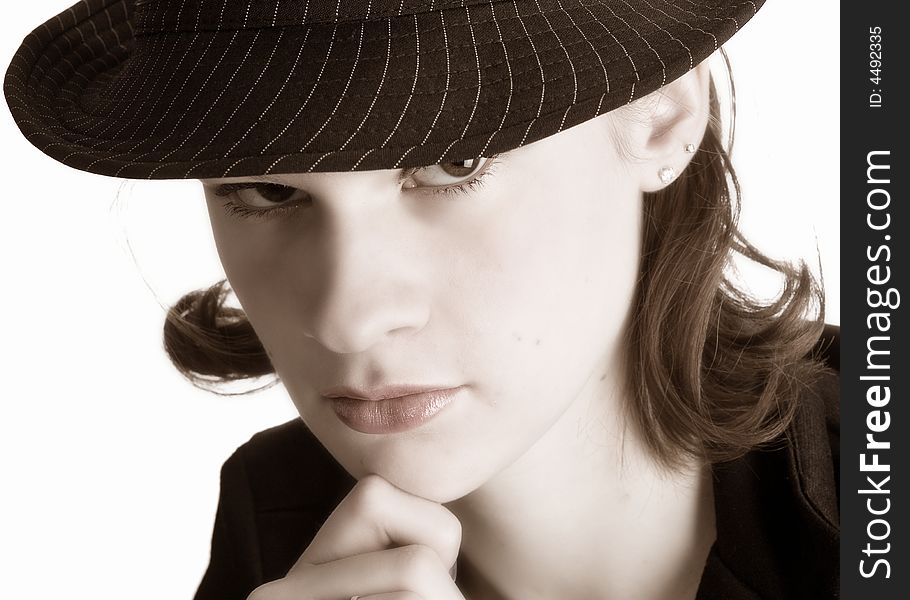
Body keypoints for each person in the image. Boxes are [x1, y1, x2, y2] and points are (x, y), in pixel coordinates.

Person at [4, 1, 839, 599]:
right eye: (266, 189)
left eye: (451, 164)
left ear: (661, 116)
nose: (348, 318)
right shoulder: (277, 536)